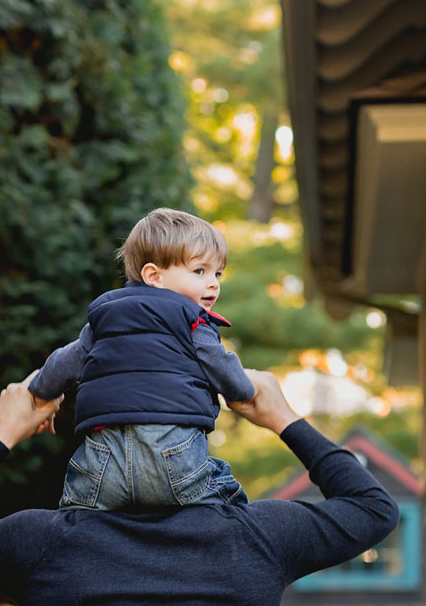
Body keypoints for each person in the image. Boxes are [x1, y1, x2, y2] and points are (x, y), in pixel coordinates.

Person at [0, 369, 399, 606]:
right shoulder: (255, 538)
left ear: (93, 434)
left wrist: (0, 435)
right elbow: (373, 508)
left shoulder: (42, 544)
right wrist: (283, 418)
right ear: (197, 433)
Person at [28, 208, 256, 510]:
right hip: (176, 461)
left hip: (102, 463)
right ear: (153, 276)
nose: (213, 283)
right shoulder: (193, 321)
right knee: (234, 506)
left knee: (77, 515)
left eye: (217, 274)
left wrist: (41, 393)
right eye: (199, 271)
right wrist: (247, 392)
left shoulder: (104, 320)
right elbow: (228, 375)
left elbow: (65, 362)